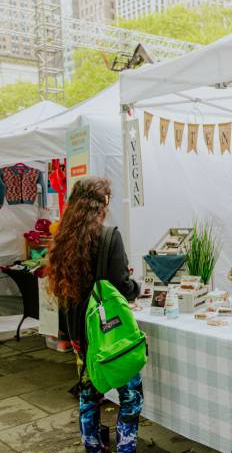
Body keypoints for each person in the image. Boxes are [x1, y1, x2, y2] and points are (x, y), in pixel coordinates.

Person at [47, 177, 142, 453]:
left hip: (81, 333)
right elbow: (121, 286)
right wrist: (137, 287)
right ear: (102, 204)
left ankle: (93, 449)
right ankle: (125, 449)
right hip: (110, 334)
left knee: (89, 395)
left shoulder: (64, 240)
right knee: (131, 396)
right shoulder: (109, 236)